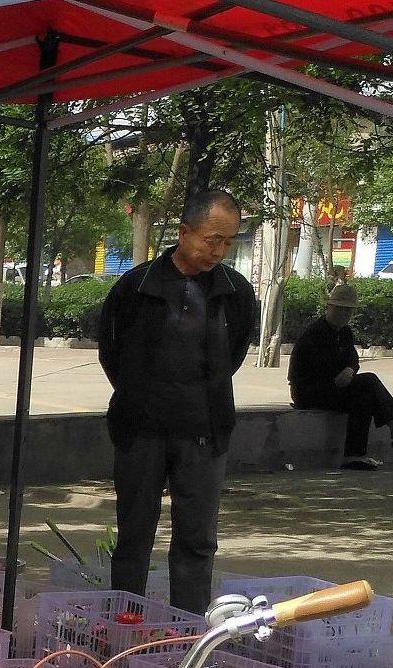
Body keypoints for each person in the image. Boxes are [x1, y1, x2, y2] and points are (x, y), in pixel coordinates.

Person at [96, 187, 261, 614]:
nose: (219, 250)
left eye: (228, 241)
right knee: (134, 535)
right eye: (212, 239)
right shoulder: (138, 286)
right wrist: (138, 393)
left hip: (204, 433)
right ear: (185, 232)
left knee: (197, 540)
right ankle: (125, 625)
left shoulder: (234, 292)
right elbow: (112, 350)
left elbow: (236, 352)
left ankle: (188, 630)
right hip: (141, 430)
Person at [289, 279, 393, 469]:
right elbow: (315, 370)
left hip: (334, 387)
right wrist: (340, 375)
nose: (344, 314)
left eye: (348, 310)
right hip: (310, 391)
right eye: (339, 309)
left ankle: (354, 456)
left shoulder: (344, 332)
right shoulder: (315, 334)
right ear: (329, 307)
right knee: (369, 381)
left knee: (364, 399)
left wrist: (350, 369)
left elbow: (352, 360)